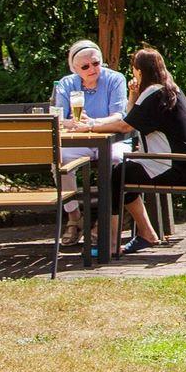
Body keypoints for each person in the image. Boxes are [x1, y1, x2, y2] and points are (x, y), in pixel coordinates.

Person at [82, 46, 186, 255]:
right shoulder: (168, 89)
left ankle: (111, 243)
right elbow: (132, 119)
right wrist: (132, 94)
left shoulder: (154, 93)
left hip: (174, 167)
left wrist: (89, 127)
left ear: (139, 71)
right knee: (123, 171)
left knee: (116, 175)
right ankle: (147, 234)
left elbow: (124, 126)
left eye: (134, 69)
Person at [51, 40, 130, 248]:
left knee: (116, 159)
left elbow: (118, 116)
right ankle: (74, 217)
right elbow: (59, 117)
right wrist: (73, 123)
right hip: (80, 140)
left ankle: (107, 218)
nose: (92, 69)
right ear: (75, 69)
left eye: (96, 63)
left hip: (112, 139)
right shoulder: (66, 84)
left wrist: (92, 123)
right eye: (85, 67)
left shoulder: (115, 79)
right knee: (59, 160)